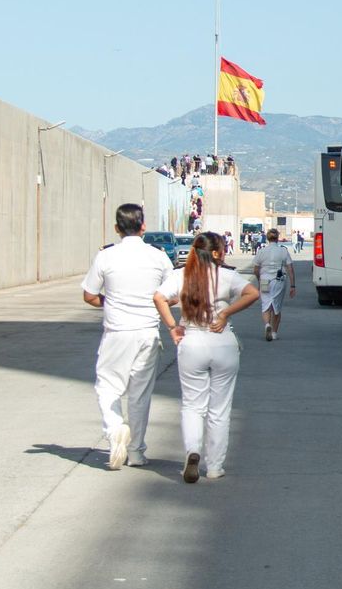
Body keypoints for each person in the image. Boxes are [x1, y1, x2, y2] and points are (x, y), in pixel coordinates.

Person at [154, 232, 260, 483]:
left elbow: (159, 297)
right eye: (223, 250)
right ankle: (215, 466)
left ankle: (192, 451)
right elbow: (252, 293)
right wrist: (225, 314)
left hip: (192, 340)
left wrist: (172, 327)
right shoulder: (226, 275)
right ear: (216, 253)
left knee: (192, 405)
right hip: (222, 342)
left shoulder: (181, 276)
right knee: (220, 409)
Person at [80, 203, 173, 470]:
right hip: (147, 331)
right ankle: (136, 452)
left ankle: (115, 428)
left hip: (117, 331)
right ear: (143, 227)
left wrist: (109, 302)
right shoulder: (158, 257)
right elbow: (171, 295)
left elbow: (89, 295)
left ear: (117, 228)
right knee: (140, 394)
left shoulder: (106, 257)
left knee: (108, 386)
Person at [249, 228, 296, 341]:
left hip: (265, 280)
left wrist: (259, 279)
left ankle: (267, 325)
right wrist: (293, 285)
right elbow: (290, 268)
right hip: (278, 281)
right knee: (276, 307)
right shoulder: (283, 251)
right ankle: (274, 332)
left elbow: (255, 269)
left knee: (265, 305)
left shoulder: (261, 251)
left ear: (267, 238)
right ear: (278, 238)